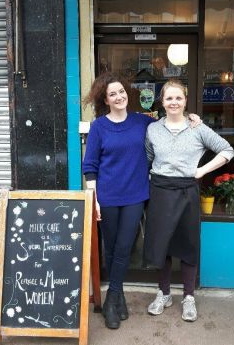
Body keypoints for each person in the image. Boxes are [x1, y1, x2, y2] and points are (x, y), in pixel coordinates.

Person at [82, 72, 200, 329]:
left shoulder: (142, 122)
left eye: (121, 92)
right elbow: (90, 165)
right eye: (112, 94)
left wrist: (192, 117)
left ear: (127, 93)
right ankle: (119, 296)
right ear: (105, 98)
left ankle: (111, 300)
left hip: (136, 195)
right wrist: (94, 198)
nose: (118, 96)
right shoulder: (99, 127)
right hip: (108, 197)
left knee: (124, 248)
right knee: (111, 249)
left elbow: (171, 120)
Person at [143, 80, 234, 322]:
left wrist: (202, 170)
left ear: (185, 101)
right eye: (169, 98)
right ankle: (163, 294)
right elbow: (149, 157)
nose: (173, 102)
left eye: (178, 98)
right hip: (160, 191)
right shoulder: (153, 129)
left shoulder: (198, 128)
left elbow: (227, 150)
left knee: (188, 245)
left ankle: (188, 297)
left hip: (187, 191)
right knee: (161, 245)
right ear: (162, 102)